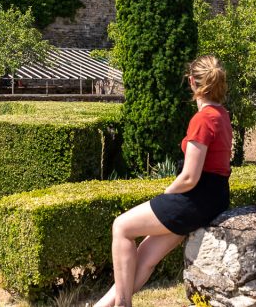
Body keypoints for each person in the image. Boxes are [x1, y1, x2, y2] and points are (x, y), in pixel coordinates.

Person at [93, 55, 232, 307]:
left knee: (121, 227)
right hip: (214, 199)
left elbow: (189, 177)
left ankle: (123, 305)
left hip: (195, 199)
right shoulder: (222, 114)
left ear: (192, 82)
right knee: (145, 257)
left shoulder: (202, 119)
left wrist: (166, 194)